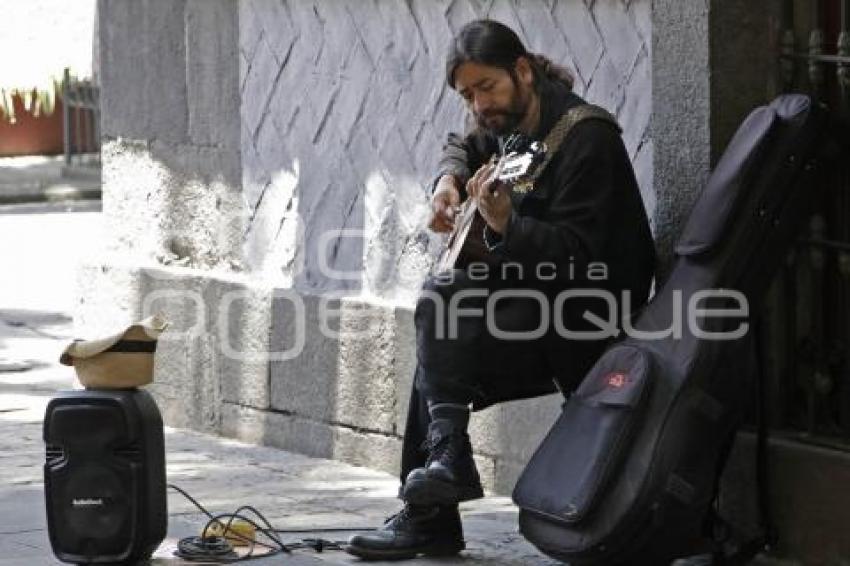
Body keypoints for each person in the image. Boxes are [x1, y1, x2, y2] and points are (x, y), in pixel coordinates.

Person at [345, 19, 656, 561]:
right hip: (535, 301)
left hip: (589, 315)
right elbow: (460, 146)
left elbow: (581, 260)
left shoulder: (587, 139)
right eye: (467, 95)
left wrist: (510, 226)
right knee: (440, 325)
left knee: (440, 323)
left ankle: (434, 505)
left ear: (522, 71)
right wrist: (447, 183)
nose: (479, 104)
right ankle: (445, 466)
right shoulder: (504, 123)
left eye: (486, 87)